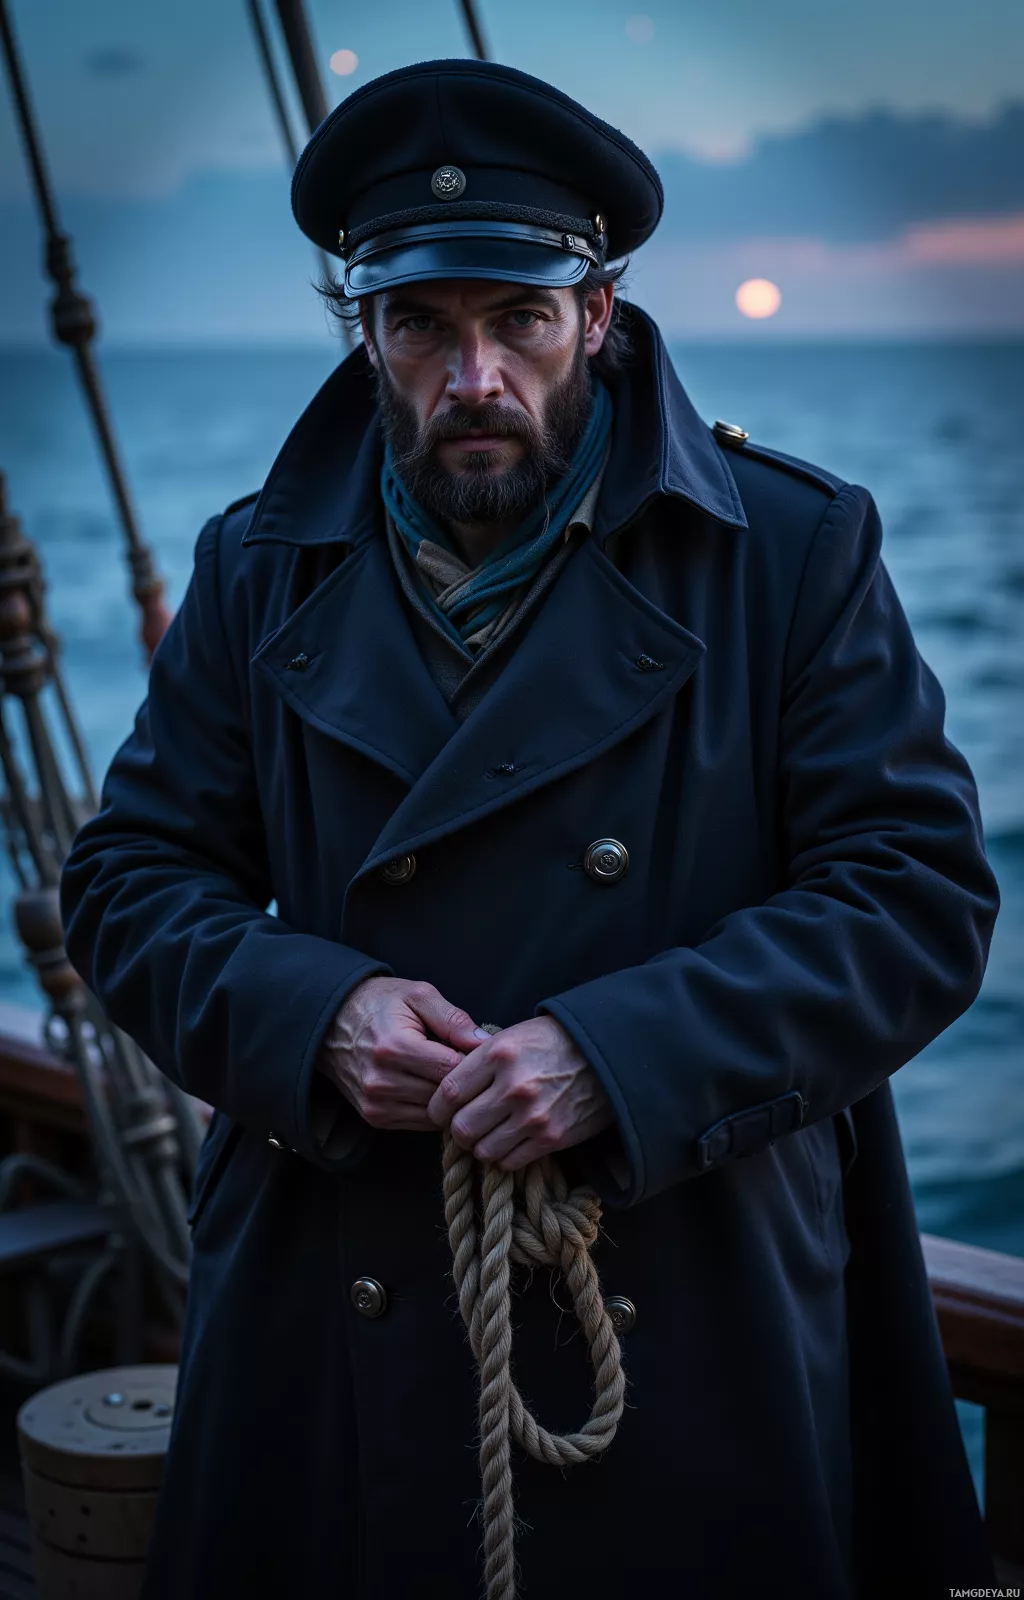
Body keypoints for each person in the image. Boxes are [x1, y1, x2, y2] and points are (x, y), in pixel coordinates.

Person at [60, 57, 1000, 1600]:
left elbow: (916, 897)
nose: (471, 377)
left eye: (519, 320)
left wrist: (613, 1058)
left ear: (600, 315)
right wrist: (320, 1014)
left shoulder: (792, 551)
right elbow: (129, 879)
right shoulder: (254, 570)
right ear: (363, 329)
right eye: (421, 327)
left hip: (684, 1286)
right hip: (335, 1289)